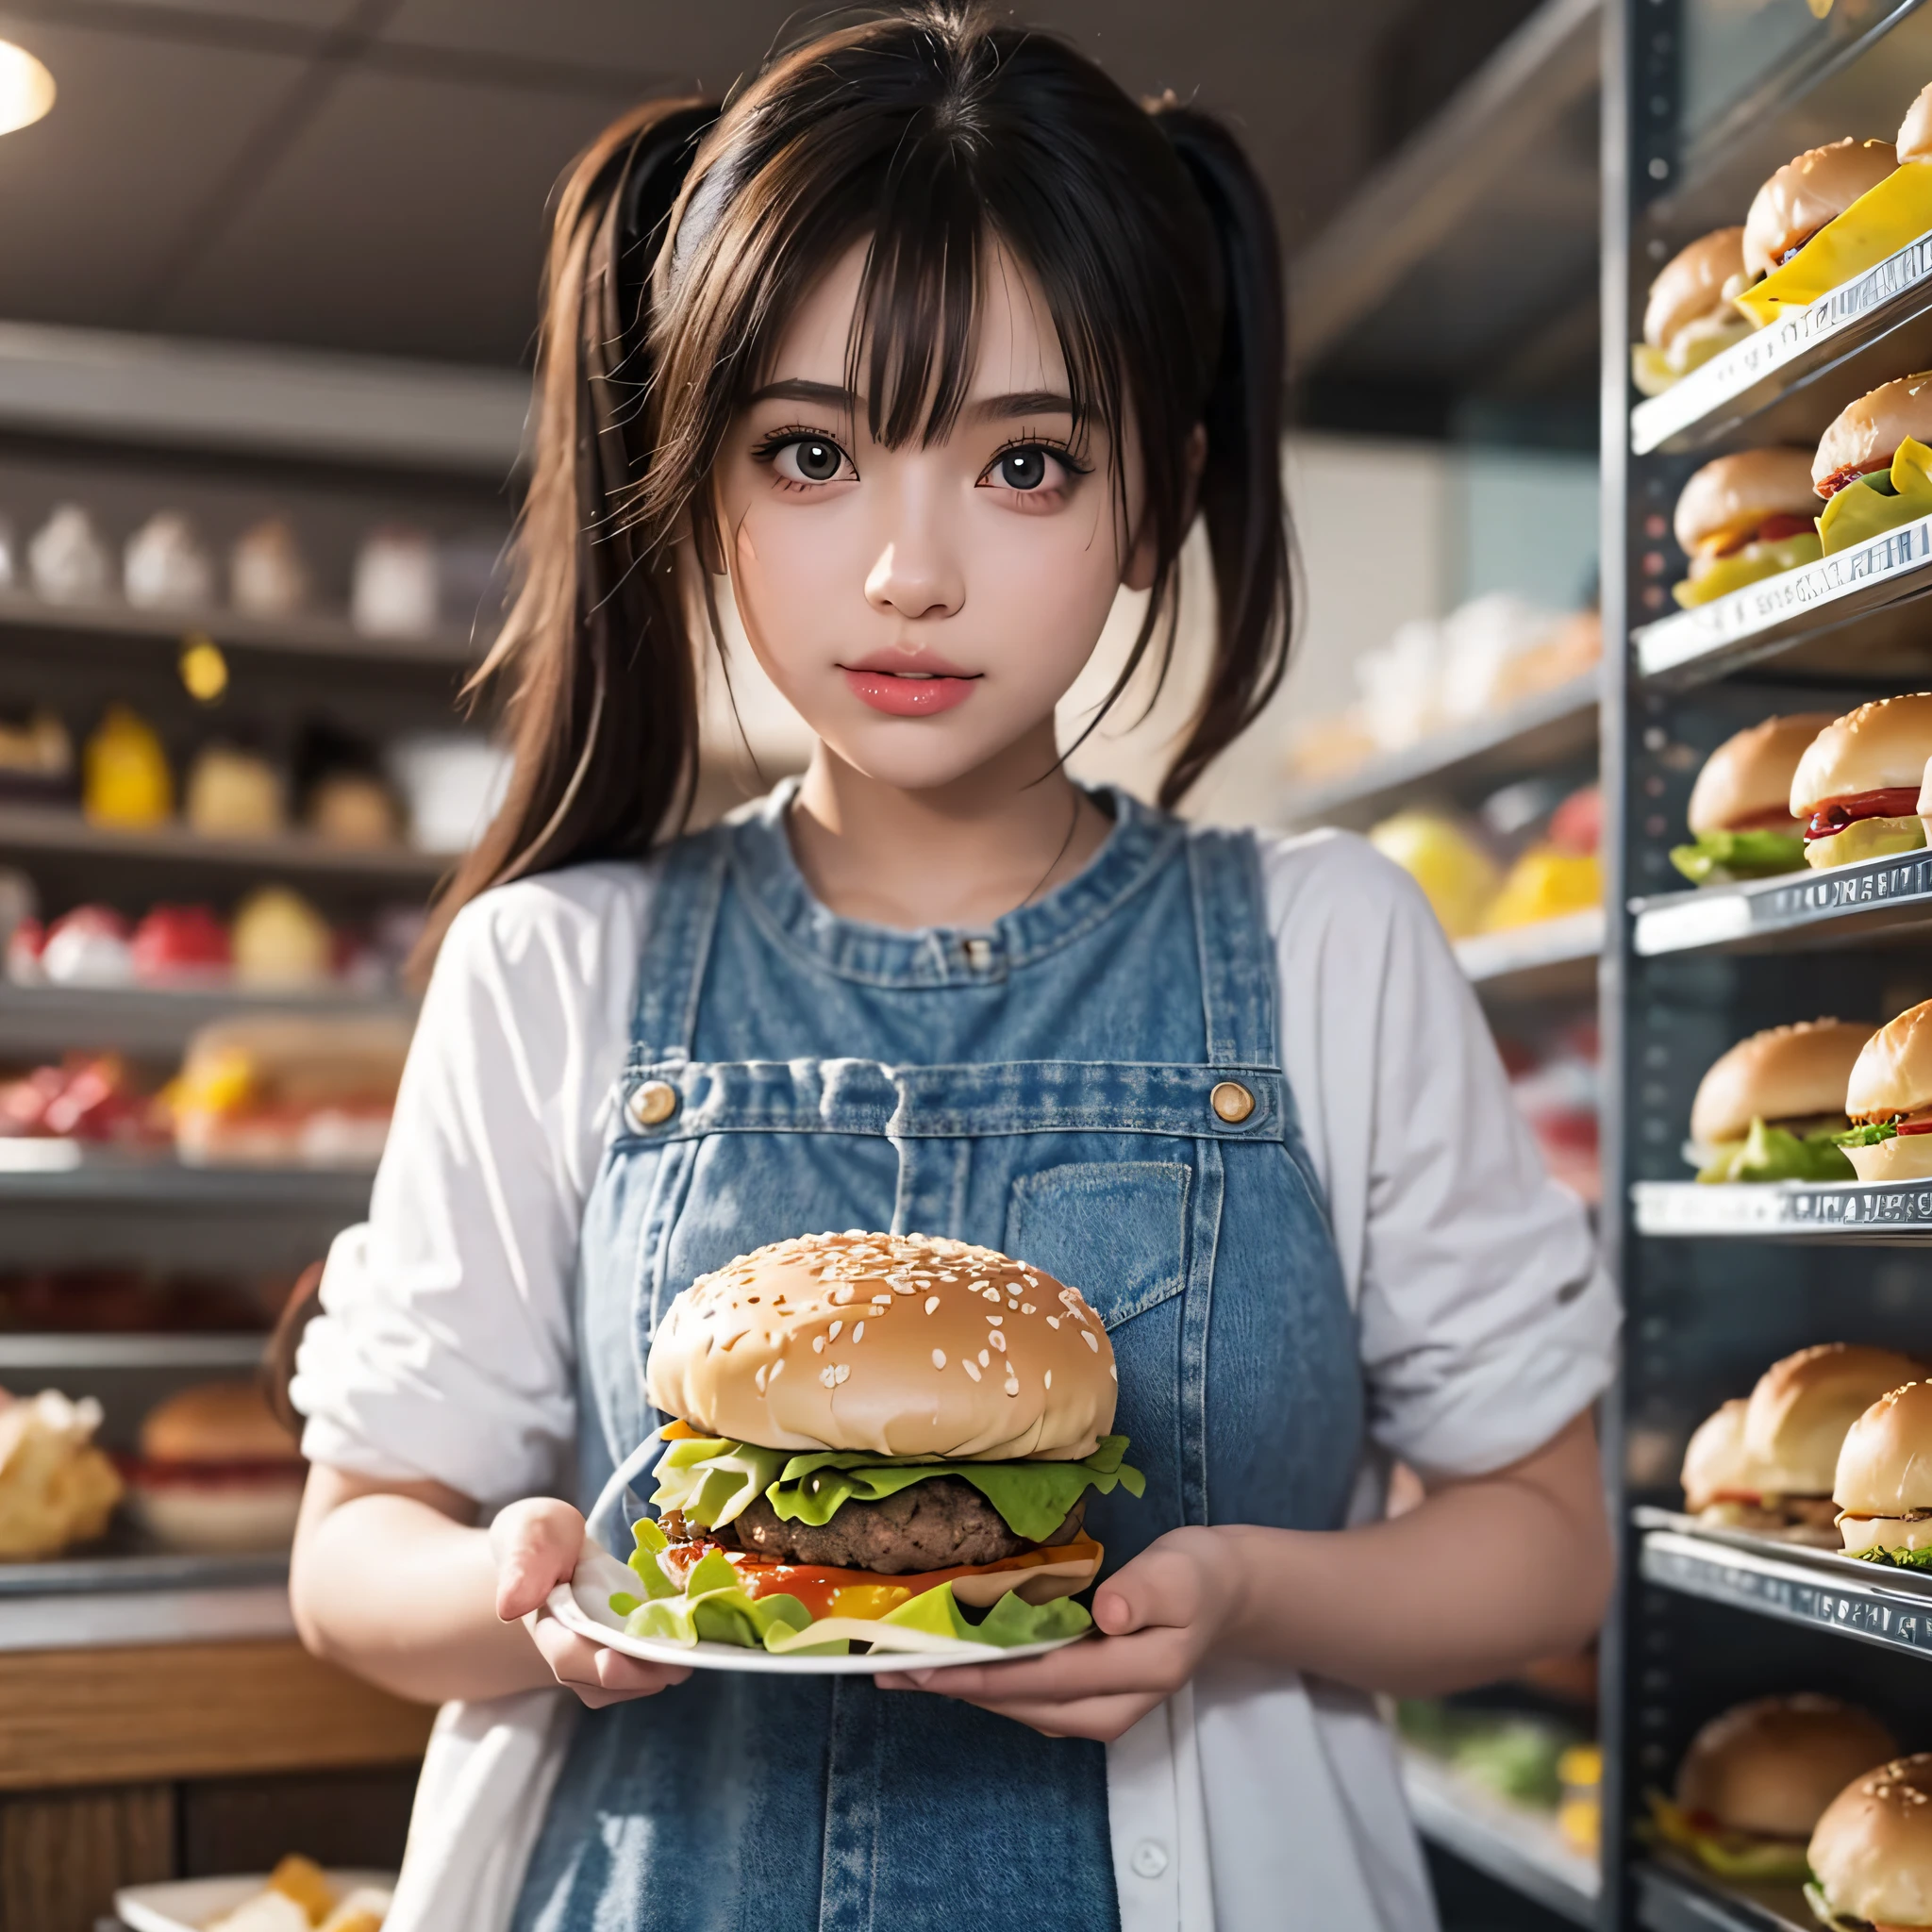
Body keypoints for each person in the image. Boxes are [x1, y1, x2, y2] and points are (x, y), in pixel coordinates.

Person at [287, 8, 1617, 1929]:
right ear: (703, 482)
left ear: (1153, 494)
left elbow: (1545, 1542)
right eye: (813, 451)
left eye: (1024, 465)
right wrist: (526, 1590)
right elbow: (352, 1560)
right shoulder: (548, 968)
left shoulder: (1328, 946)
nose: (911, 570)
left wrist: (1241, 1595)